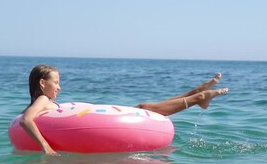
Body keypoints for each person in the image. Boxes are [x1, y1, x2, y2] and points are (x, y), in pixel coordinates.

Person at [20, 64, 228, 156]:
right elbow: (26, 120)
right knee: (146, 108)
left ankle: (196, 95)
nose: (59, 87)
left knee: (145, 107)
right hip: (68, 132)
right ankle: (195, 97)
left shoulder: (44, 100)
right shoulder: (43, 100)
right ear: (42, 83)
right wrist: (46, 146)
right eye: (56, 82)